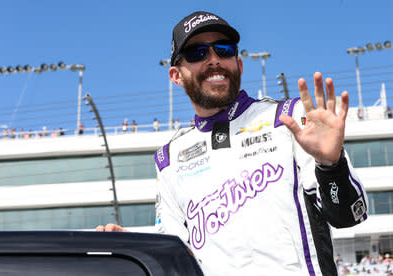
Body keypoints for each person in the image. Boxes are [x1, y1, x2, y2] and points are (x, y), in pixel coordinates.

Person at [97, 11, 368, 275]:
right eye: (197, 53)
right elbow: (176, 256)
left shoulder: (289, 119)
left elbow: (350, 216)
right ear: (176, 76)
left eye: (224, 49)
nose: (214, 60)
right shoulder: (169, 159)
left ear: (238, 64)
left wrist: (331, 165)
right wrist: (136, 245)